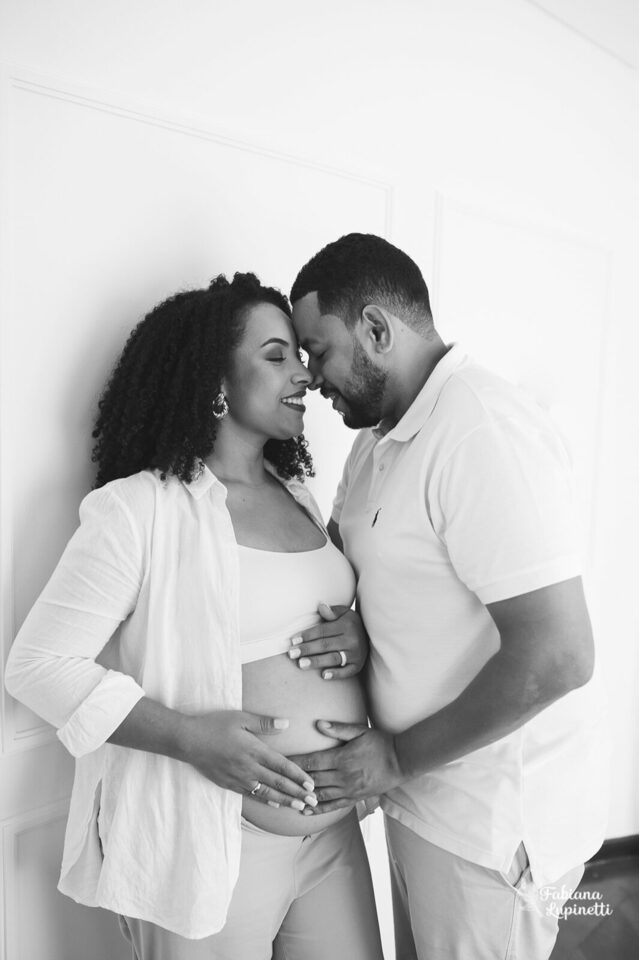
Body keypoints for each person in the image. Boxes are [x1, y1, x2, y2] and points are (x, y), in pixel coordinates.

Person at [4, 272, 384, 960]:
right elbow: (37, 665)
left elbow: (301, 616)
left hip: (332, 834)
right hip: (211, 838)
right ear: (215, 381)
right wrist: (189, 738)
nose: (302, 374)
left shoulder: (298, 494)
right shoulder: (139, 510)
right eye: (276, 356)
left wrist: (355, 634)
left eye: (299, 356)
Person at [288, 234, 608, 960]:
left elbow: (558, 654)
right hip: (419, 801)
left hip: (485, 829)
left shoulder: (480, 430)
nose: (309, 376)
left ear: (376, 329)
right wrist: (362, 624)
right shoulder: (376, 442)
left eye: (317, 350)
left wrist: (396, 758)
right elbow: (367, 572)